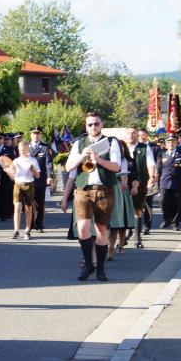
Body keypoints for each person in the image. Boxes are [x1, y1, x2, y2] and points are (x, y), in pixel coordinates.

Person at [61, 111, 123, 282]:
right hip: (84, 189)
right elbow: (68, 167)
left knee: (102, 230)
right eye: (90, 124)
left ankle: (100, 269)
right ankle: (89, 264)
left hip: (104, 189)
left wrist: (99, 159)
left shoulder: (111, 142)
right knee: (82, 228)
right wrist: (83, 156)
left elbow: (116, 167)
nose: (93, 127)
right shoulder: (80, 143)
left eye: (96, 124)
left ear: (102, 124)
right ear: (86, 126)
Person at [126, 126, 156, 248]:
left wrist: (151, 177)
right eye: (129, 133)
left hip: (140, 182)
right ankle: (126, 232)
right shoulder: (122, 148)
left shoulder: (144, 148)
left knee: (137, 210)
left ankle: (137, 238)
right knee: (124, 210)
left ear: (137, 135)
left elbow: (150, 163)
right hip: (124, 182)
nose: (131, 135)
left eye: (134, 133)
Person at [108, 140, 137, 258]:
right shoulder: (108, 159)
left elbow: (124, 175)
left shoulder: (124, 160)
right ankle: (106, 248)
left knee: (120, 221)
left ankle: (117, 246)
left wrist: (124, 183)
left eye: (121, 148)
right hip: (108, 188)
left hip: (120, 191)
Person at [156, 135, 181, 231]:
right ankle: (166, 219)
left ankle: (175, 222)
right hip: (164, 181)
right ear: (166, 144)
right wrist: (154, 179)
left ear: (176, 143)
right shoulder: (162, 154)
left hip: (177, 182)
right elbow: (158, 169)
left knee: (176, 203)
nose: (171, 144)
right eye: (169, 142)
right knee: (163, 201)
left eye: (173, 142)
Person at [7, 139, 39, 240]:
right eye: (21, 150)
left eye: (25, 150)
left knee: (28, 208)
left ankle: (27, 230)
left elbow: (38, 176)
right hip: (18, 184)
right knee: (17, 207)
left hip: (29, 184)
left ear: (28, 149)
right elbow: (12, 176)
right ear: (18, 150)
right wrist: (8, 171)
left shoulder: (33, 160)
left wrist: (33, 170)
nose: (23, 152)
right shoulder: (16, 161)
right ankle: (16, 230)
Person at [27, 127, 53, 233]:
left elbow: (49, 163)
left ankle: (39, 224)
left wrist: (49, 176)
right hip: (28, 179)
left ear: (41, 135)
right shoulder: (26, 147)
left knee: (40, 203)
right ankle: (30, 223)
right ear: (31, 135)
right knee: (29, 203)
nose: (36, 135)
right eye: (34, 133)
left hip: (41, 179)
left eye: (38, 133)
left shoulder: (46, 147)